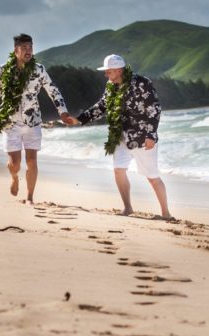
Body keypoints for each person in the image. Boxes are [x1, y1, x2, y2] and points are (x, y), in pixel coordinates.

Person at [64, 54, 172, 219]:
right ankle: (128, 208)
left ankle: (166, 214)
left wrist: (151, 134)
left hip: (142, 137)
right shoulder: (110, 85)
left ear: (120, 70)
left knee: (152, 177)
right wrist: (79, 119)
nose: (106, 75)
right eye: (106, 72)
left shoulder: (141, 83)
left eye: (109, 72)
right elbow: (102, 106)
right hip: (120, 136)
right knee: (118, 171)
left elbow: (154, 108)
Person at [0, 33, 74, 203]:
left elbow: (53, 90)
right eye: (24, 48)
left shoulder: (39, 69)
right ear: (15, 51)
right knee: (15, 163)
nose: (28, 51)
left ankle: (29, 197)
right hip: (9, 122)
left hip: (33, 121)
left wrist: (62, 111)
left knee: (32, 161)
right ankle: (14, 178)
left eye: (31, 47)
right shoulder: (3, 70)